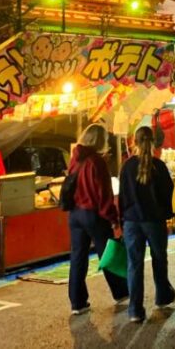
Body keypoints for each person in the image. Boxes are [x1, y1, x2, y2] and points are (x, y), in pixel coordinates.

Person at [67, 124, 128, 315]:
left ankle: (77, 302)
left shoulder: (75, 159)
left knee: (78, 257)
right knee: (108, 252)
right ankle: (120, 292)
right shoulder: (97, 161)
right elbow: (104, 194)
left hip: (75, 214)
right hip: (93, 214)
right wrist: (112, 217)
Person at [118, 126, 175, 323]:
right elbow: (168, 195)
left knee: (134, 265)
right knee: (159, 259)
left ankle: (135, 310)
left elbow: (123, 196)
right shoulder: (158, 166)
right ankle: (162, 297)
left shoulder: (126, 167)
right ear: (153, 142)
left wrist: (121, 220)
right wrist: (168, 215)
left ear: (134, 142)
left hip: (132, 222)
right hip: (154, 221)